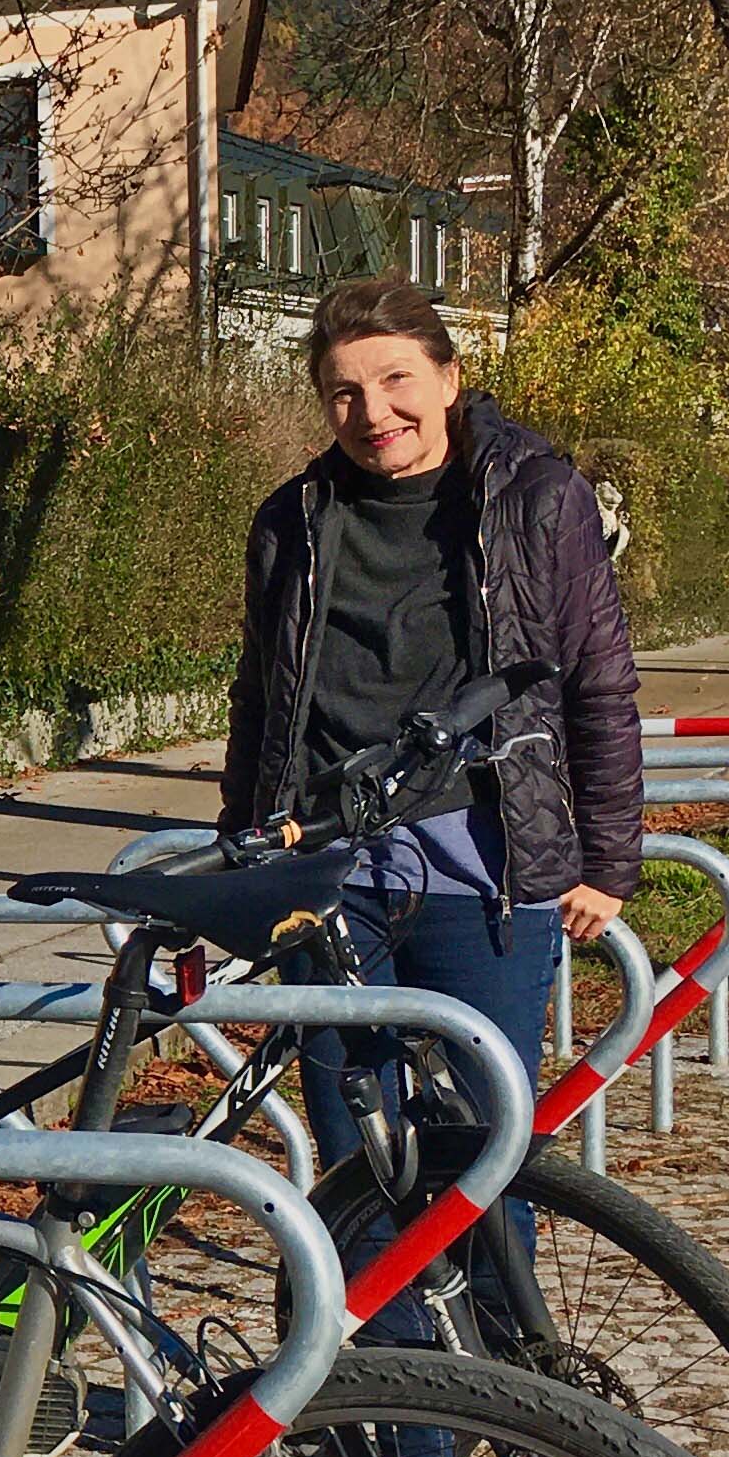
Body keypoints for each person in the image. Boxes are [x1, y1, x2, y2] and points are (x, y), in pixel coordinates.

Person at [220, 274, 643, 1256]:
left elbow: (598, 685)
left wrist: (609, 863)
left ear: (450, 378)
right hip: (326, 880)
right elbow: (260, 698)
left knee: (483, 1166)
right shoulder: (292, 521)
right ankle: (398, 1406)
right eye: (344, 392)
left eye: (397, 379)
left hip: (482, 874)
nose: (375, 413)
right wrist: (243, 851)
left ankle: (508, 1398)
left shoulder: (540, 497)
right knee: (358, 1169)